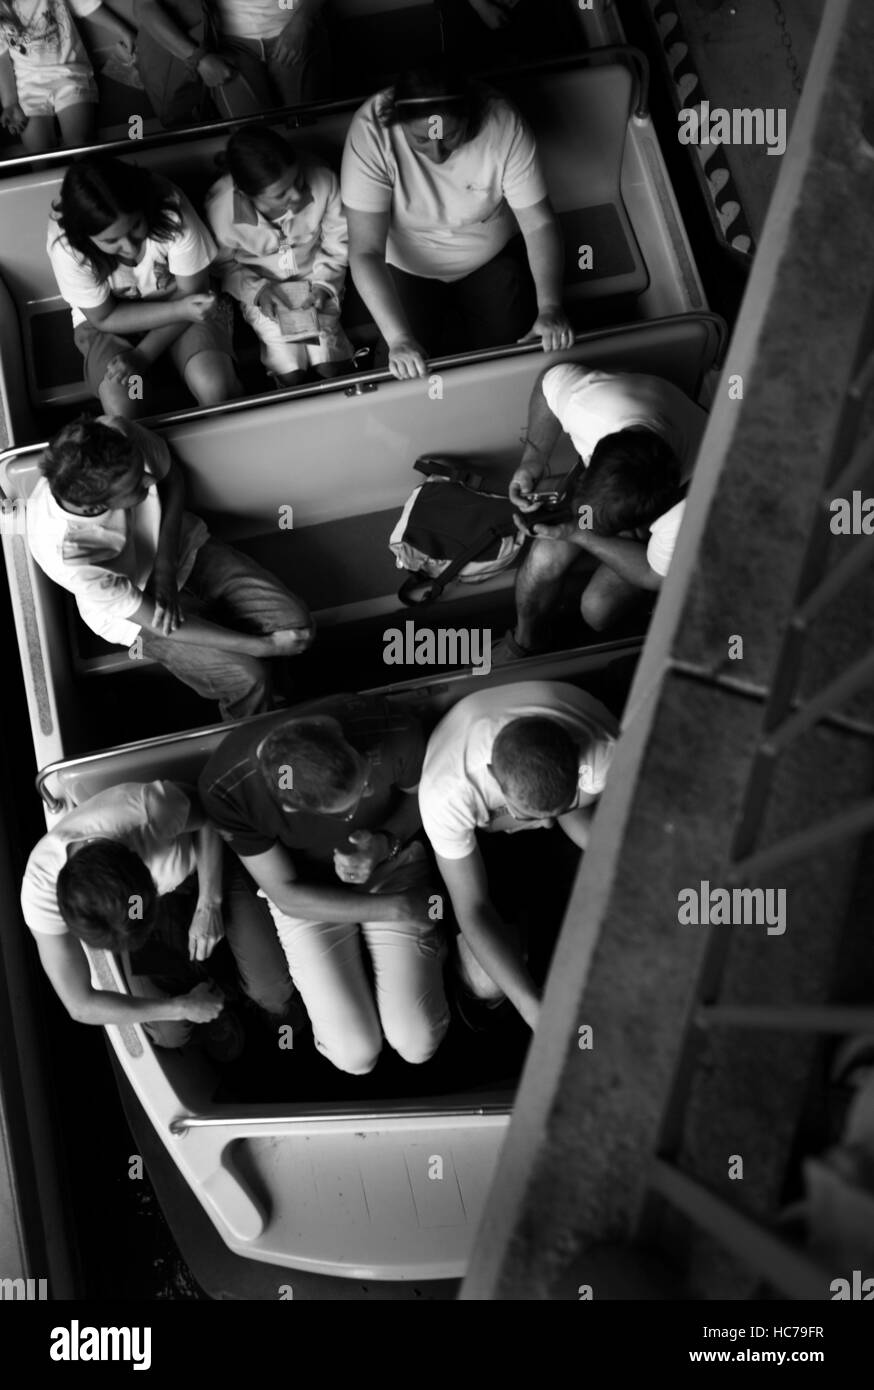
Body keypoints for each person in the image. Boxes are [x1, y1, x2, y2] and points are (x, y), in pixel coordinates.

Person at [198, 693, 450, 1077]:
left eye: (364, 779)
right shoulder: (227, 788)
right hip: (308, 893)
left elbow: (422, 798)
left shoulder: (391, 725)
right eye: (347, 808)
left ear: (335, 733)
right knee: (355, 1055)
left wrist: (384, 841)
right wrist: (398, 908)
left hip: (390, 863)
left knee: (418, 1043)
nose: (365, 795)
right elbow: (287, 896)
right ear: (291, 806)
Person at [26, 414, 315, 721]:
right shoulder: (70, 556)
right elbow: (159, 621)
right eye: (137, 487)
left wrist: (165, 567)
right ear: (94, 508)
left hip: (183, 548)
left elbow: (172, 479)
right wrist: (263, 647)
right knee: (247, 677)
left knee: (296, 624)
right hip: (135, 610)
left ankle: (281, 694)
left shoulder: (115, 433)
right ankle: (256, 737)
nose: (150, 482)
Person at [20, 780, 296, 1052]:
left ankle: (259, 1004)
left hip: (205, 865)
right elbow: (79, 1005)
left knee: (272, 992)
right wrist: (180, 1007)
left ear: (139, 860)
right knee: (169, 1034)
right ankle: (214, 1001)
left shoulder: (146, 811)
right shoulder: (41, 887)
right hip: (152, 905)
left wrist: (209, 902)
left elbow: (213, 812)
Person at [341, 63, 573, 380]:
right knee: (398, 369)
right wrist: (399, 340)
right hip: (405, 263)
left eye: (449, 137)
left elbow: (538, 224)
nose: (437, 154)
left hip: (487, 255)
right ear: (399, 123)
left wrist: (550, 308)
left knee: (520, 357)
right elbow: (365, 250)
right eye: (421, 140)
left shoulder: (502, 121)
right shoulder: (370, 131)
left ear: (469, 116)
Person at [418, 681, 617, 1029]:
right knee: (486, 983)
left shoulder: (604, 749)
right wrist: (533, 1009)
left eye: (550, 811)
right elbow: (472, 907)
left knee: (621, 856)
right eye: (529, 816)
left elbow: (571, 814)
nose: (541, 824)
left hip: (558, 813)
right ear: (493, 774)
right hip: (476, 843)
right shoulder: (445, 793)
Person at [495, 364, 709, 661]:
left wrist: (578, 532)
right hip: (620, 495)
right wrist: (532, 460)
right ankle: (525, 641)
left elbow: (651, 574)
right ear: (595, 457)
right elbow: (547, 385)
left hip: (668, 514)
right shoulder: (593, 408)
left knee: (597, 610)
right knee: (544, 559)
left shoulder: (687, 512)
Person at [47, 154, 241, 419]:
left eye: (136, 226)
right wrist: (176, 315)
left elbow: (192, 292)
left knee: (215, 388)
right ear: (87, 237)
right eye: (111, 240)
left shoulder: (169, 207)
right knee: (125, 406)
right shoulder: (67, 246)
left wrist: (142, 356)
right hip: (119, 319)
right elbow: (104, 317)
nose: (129, 247)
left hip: (183, 304)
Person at [206, 125, 354, 388]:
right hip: (264, 286)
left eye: (297, 181)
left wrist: (323, 286)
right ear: (246, 195)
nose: (296, 195)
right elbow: (225, 266)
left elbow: (337, 241)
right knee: (290, 371)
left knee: (329, 364)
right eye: (280, 195)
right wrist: (259, 291)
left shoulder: (323, 179)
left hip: (316, 277)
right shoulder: (222, 210)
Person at [134, 0, 331, 124]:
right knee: (254, 140)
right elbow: (144, 6)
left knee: (305, 126)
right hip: (228, 44)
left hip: (291, 29)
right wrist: (197, 58)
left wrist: (302, 21)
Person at [0, 0, 135, 152]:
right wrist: (10, 103)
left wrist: (124, 31)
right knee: (39, 155)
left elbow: (86, 6)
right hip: (29, 86)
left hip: (69, 74)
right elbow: (2, 57)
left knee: (80, 145)